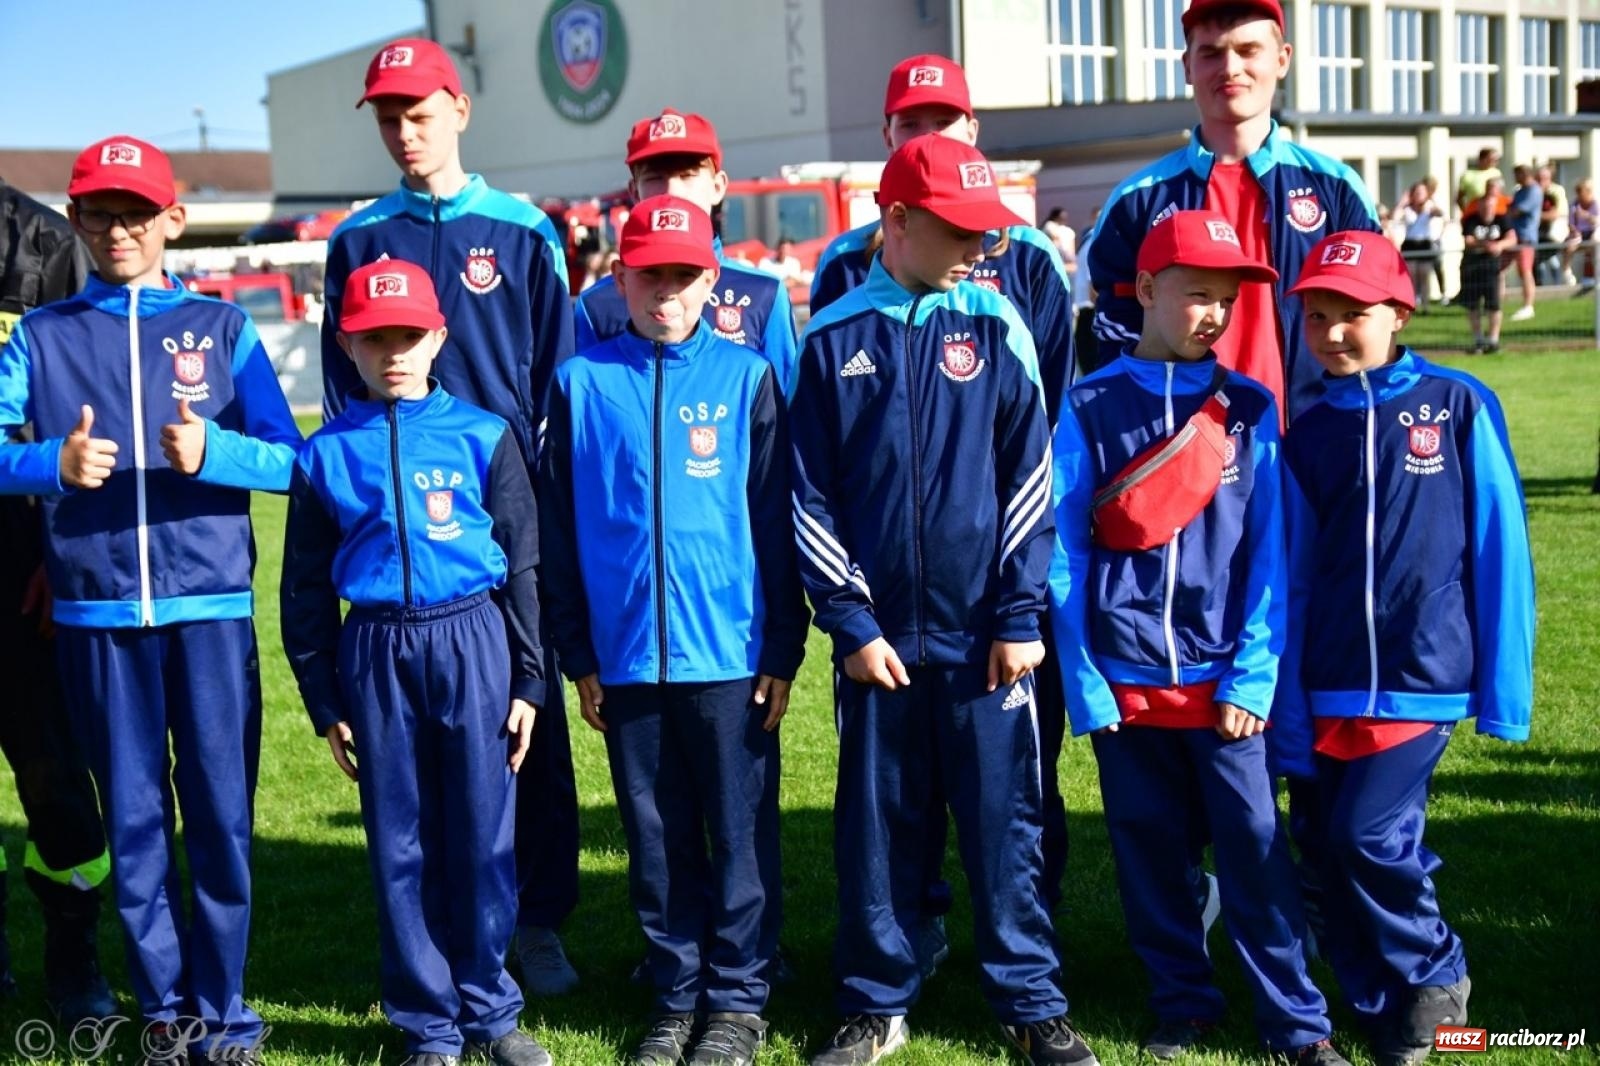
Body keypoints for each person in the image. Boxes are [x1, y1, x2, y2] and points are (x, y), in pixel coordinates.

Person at [792, 134, 1094, 1066]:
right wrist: (849, 624)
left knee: (1008, 826)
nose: (981, 246)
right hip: (877, 647)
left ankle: (1030, 1001)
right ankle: (876, 999)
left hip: (987, 644)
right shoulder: (834, 336)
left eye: (985, 227)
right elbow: (809, 493)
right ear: (896, 221)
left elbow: (1030, 476)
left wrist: (1014, 616)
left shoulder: (996, 326)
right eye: (960, 228)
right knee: (878, 829)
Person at [0, 135, 302, 1062]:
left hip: (208, 610)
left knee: (217, 818)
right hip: (95, 619)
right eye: (99, 213)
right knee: (133, 825)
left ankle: (228, 1010)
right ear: (76, 221)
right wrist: (46, 463)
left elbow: (295, 458)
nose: (118, 229)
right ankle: (167, 1011)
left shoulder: (222, 330)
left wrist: (220, 455)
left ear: (171, 220)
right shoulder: (42, 337)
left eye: (137, 213)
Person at [1050, 210, 1350, 1066]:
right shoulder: (1088, 405)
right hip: (1126, 691)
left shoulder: (1251, 411)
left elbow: (1271, 558)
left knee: (1258, 861)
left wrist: (1253, 679)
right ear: (1146, 290)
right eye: (1197, 295)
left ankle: (1297, 1024)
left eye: (1227, 299)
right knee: (1151, 859)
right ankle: (1182, 1003)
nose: (1215, 313)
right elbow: (1062, 552)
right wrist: (1087, 681)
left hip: (1226, 695)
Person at [320, 37, 581, 996]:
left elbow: (556, 381)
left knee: (529, 717)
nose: (403, 132)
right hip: (400, 539)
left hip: (505, 514)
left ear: (460, 110)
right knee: (416, 761)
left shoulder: (523, 231)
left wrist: (540, 509)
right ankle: (433, 936)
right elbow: (343, 395)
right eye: (388, 117)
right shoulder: (358, 240)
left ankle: (542, 917)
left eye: (419, 113)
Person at [539, 196, 809, 1066]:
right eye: (649, 273)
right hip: (623, 659)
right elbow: (558, 527)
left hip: (729, 654)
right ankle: (675, 990)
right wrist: (577, 652)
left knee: (736, 835)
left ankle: (736, 1000)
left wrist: (782, 648)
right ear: (619, 278)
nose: (667, 291)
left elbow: (778, 523)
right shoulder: (583, 384)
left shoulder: (745, 378)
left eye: (685, 276)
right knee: (654, 840)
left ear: (711, 282)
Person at [282, 258, 551, 1066]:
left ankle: (490, 1010)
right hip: (377, 651)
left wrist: (531, 676)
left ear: (437, 336)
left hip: (470, 640)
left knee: (481, 830)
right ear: (348, 346)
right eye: (375, 340)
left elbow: (523, 561)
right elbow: (301, 592)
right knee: (400, 838)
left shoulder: (483, 435)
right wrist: (324, 698)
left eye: (408, 336)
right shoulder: (324, 455)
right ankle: (426, 1022)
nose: (393, 352)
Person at [1275, 229, 1533, 1066]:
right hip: (1330, 683)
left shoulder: (1458, 404)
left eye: (1351, 314)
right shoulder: (1308, 431)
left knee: (1368, 837)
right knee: (1322, 845)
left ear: (1398, 311)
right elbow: (1295, 575)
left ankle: (1436, 977)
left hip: (1423, 681)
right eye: (1316, 317)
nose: (1333, 333)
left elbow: (1500, 550)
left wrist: (1505, 690)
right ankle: (1383, 1005)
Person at [1087, 0, 1381, 425]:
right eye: (1211, 53)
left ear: (1282, 60)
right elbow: (1117, 342)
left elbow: (1371, 324)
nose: (1230, 67)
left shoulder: (1336, 187)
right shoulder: (1136, 200)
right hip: (1187, 449)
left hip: (1317, 445)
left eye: (1248, 50)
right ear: (1188, 66)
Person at [0, 176, 116, 1021]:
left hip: (21, 571)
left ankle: (74, 960)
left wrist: (58, 547)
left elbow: (91, 406)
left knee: (54, 781)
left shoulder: (43, 243)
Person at [810, 54, 1075, 420]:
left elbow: (1052, 400)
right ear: (888, 137)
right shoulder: (844, 259)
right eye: (910, 124)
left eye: (944, 122)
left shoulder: (1033, 255)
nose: (928, 137)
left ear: (972, 132)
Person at [574, 109, 798, 392]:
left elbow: (784, 411)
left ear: (718, 187)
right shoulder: (596, 305)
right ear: (634, 192)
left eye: (687, 175)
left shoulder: (763, 294)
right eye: (655, 177)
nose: (672, 191)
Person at [1459, 180, 1517, 353]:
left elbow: (1512, 238)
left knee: (1494, 305)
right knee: (1473, 306)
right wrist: (1485, 244)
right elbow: (1468, 240)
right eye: (1484, 207)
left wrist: (1499, 245)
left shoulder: (1502, 219)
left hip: (1491, 268)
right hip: (1472, 266)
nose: (1487, 210)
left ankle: (1493, 340)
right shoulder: (1471, 220)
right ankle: (1478, 340)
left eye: (1490, 207)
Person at [1390, 182, 1443, 311]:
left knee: (1424, 274)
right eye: (1417, 192)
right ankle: (1412, 304)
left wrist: (1432, 202)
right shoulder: (1407, 210)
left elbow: (1440, 213)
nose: (1419, 195)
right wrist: (1402, 202)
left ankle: (1425, 305)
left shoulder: (1429, 207)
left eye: (1422, 192)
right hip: (1410, 244)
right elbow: (1393, 216)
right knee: (1411, 275)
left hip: (1425, 243)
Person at [1505, 164, 1541, 321]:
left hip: (1525, 236)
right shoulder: (1519, 191)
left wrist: (1505, 213)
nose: (1515, 178)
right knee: (1499, 268)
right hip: (1513, 235)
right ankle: (1495, 303)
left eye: (1517, 175)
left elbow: (1516, 211)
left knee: (1525, 270)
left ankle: (1528, 306)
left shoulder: (1534, 191)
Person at [1535, 165, 1568, 285]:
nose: (1540, 181)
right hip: (1538, 234)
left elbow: (1556, 213)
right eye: (1538, 178)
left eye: (1544, 178)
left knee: (1546, 260)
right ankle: (1544, 287)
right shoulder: (1532, 191)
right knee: (1546, 261)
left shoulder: (1556, 191)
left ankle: (1556, 286)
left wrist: (1537, 216)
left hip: (1552, 234)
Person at [1562, 177, 1597, 289]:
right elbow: (1571, 223)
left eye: (1581, 192)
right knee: (1569, 246)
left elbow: (1597, 221)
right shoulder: (1574, 205)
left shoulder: (1596, 204)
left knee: (1595, 245)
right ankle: (1567, 274)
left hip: (1593, 233)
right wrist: (1574, 231)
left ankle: (1596, 274)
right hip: (1579, 234)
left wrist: (1586, 216)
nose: (1579, 196)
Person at [1455, 147, 1502, 215]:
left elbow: (1499, 194)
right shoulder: (1467, 175)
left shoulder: (1496, 173)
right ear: (1482, 159)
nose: (1495, 162)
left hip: (1493, 212)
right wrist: (1466, 212)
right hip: (1474, 212)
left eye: (1496, 160)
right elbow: (1459, 198)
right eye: (1492, 159)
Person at [1041, 207, 1077, 276]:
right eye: (1061, 217)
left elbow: (1071, 246)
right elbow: (1055, 237)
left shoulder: (1068, 230)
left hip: (1067, 259)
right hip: (1054, 258)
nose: (1063, 219)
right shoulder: (1049, 225)